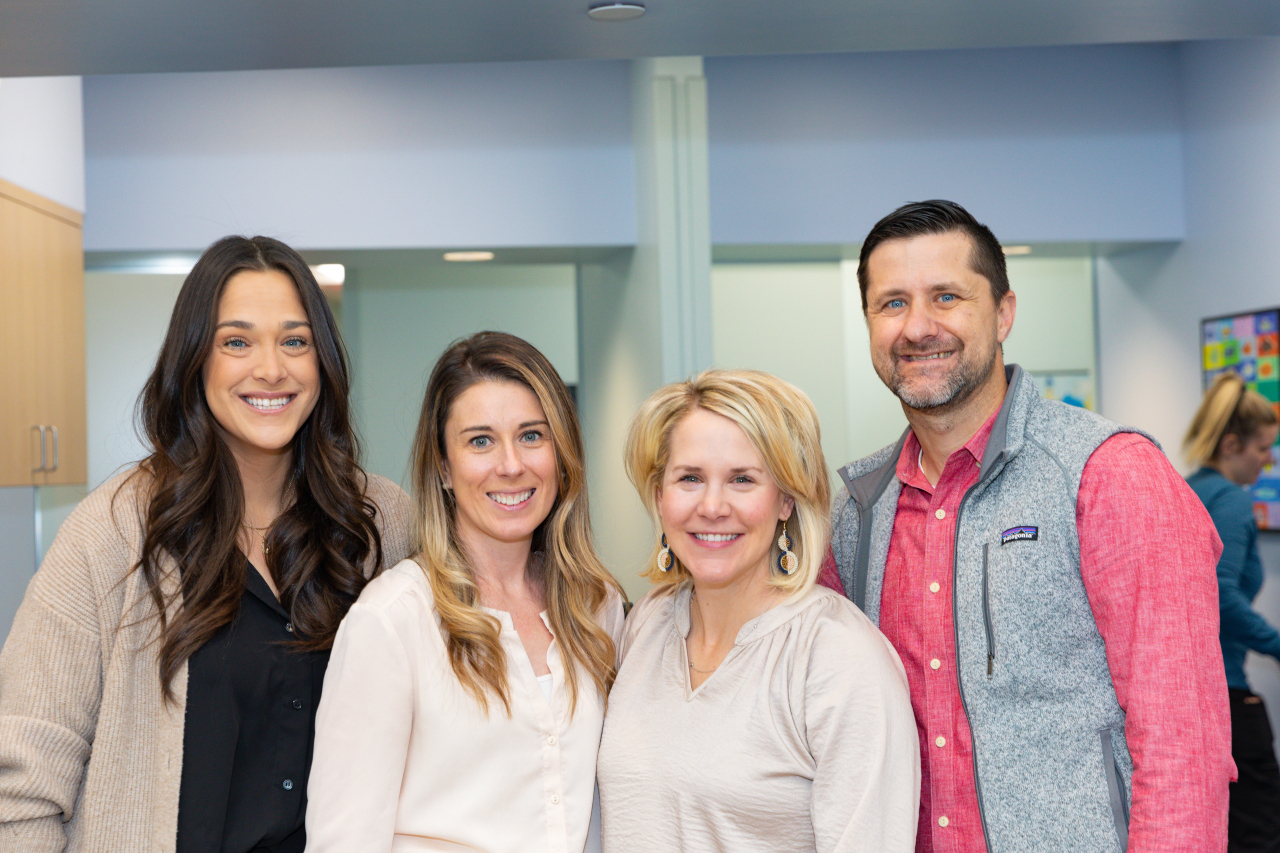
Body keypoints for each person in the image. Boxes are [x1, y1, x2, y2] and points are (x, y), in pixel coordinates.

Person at [820, 199, 1234, 853]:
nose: (918, 326)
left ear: (1004, 311)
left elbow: (1184, 747)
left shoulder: (1110, 474)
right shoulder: (855, 511)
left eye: (947, 296)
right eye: (891, 303)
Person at [0, 235, 414, 853]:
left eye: (295, 341)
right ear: (196, 361)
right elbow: (20, 787)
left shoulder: (380, 523)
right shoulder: (113, 532)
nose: (271, 368)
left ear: (323, 361)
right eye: (237, 342)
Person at [304, 331, 624, 853]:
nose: (510, 464)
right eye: (480, 440)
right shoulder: (392, 621)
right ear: (445, 468)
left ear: (561, 454)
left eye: (532, 436)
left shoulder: (596, 608)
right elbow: (344, 840)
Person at [598, 368, 919, 852]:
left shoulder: (837, 658)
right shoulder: (645, 624)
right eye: (690, 478)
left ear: (786, 498)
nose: (712, 505)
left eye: (742, 479)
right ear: (660, 496)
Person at [1185, 372, 1280, 853]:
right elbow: (1218, 595)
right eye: (1263, 449)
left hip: (1188, 697)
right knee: (1257, 831)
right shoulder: (1232, 502)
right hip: (1225, 692)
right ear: (1231, 444)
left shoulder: (1185, 490)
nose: (1267, 461)